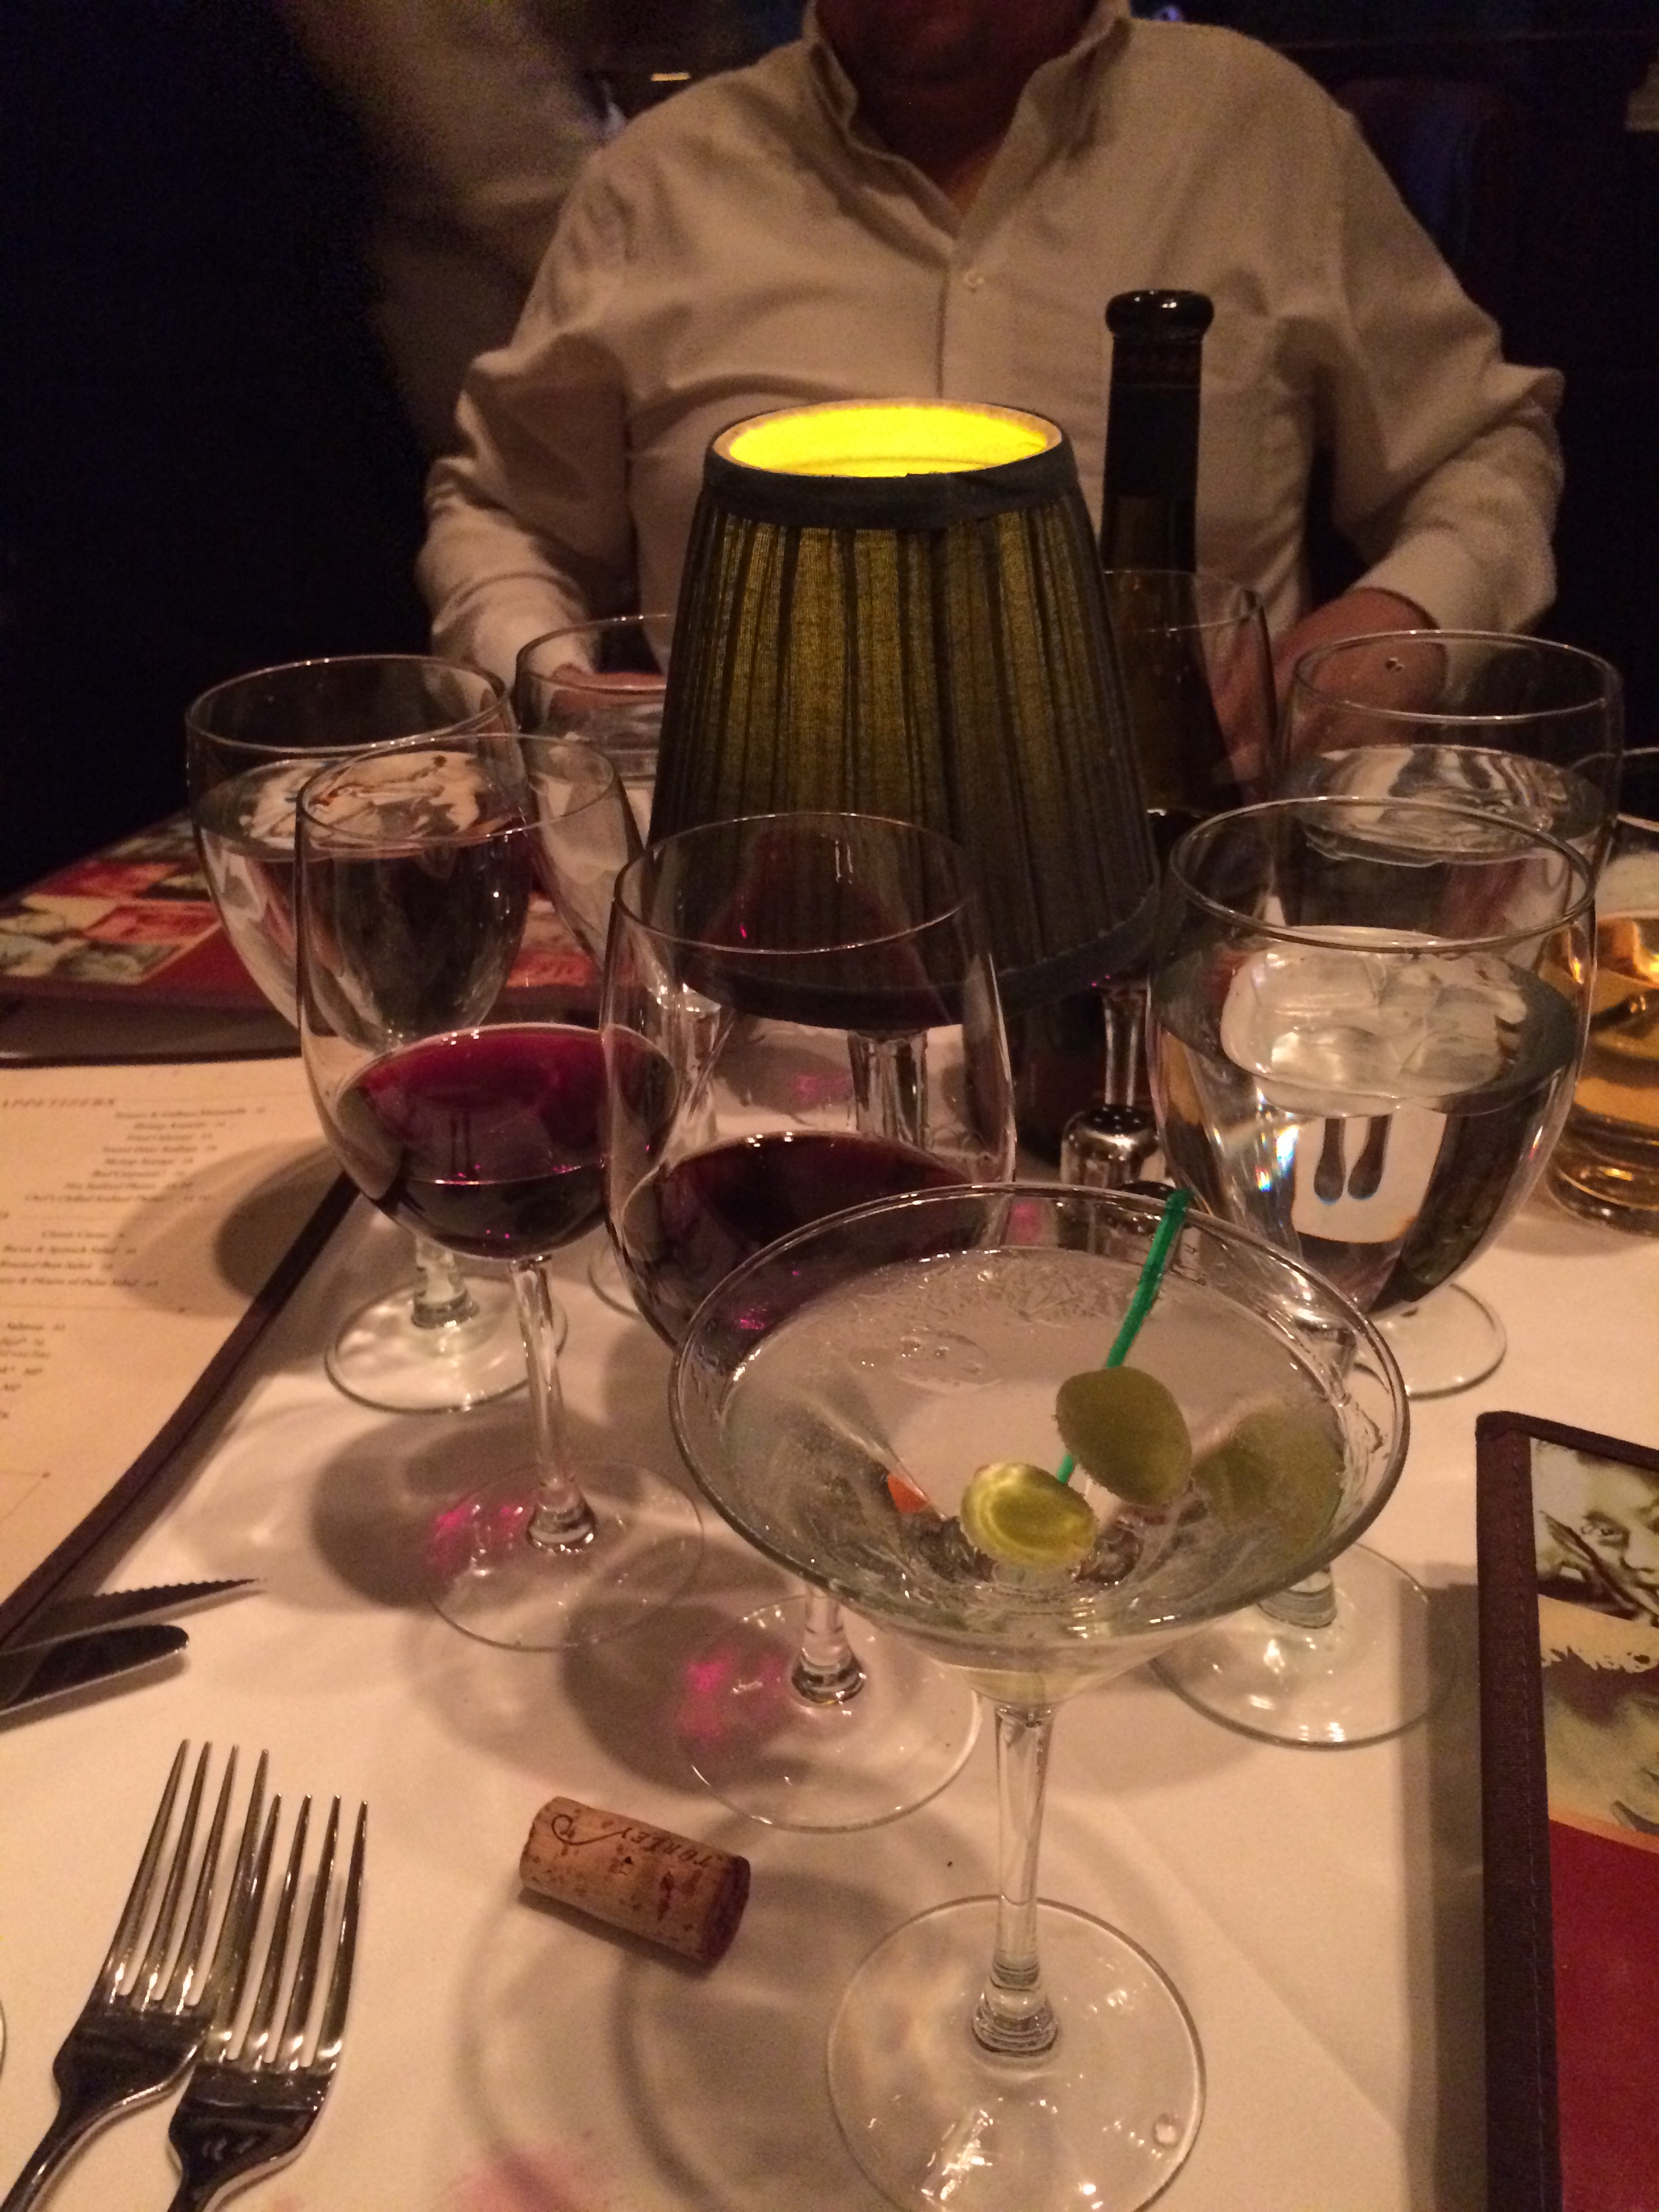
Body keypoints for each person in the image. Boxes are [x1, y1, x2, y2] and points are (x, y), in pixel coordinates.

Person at [418, 0, 1564, 695]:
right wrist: (559, 689)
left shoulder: (1257, 126)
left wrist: (1382, 638)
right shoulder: (660, 177)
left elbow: (1478, 452)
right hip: (757, 908)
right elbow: (510, 518)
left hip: (1190, 902)